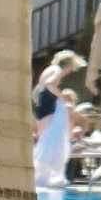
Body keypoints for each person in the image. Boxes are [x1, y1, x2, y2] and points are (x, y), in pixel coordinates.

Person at [33, 49, 85, 188]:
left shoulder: (49, 69)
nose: (69, 72)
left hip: (41, 103)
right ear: (67, 65)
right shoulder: (56, 70)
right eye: (70, 68)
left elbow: (40, 88)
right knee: (51, 138)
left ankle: (41, 175)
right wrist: (61, 97)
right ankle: (44, 175)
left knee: (45, 138)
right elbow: (50, 84)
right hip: (48, 103)